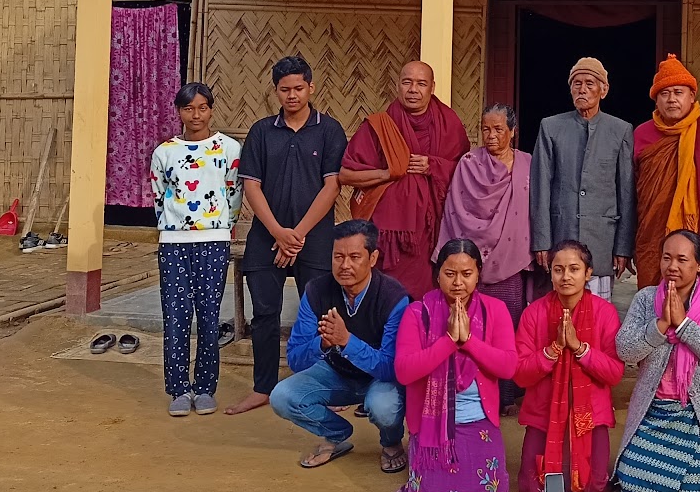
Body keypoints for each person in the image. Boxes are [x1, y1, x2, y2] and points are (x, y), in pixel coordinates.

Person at [227, 55, 348, 416]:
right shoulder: (262, 131)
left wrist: (297, 235)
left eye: (298, 88)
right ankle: (262, 387)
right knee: (264, 314)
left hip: (316, 237)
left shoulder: (330, 130)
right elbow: (252, 186)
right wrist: (279, 233)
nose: (292, 95)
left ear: (311, 87)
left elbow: (332, 187)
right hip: (268, 237)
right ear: (275, 91)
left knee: (321, 315)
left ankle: (323, 386)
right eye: (284, 90)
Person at [270, 220, 409, 472]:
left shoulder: (394, 297)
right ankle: (336, 434)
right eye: (338, 257)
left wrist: (346, 341)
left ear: (373, 257)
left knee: (383, 407)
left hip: (379, 378)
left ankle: (391, 442)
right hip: (336, 373)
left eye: (355, 257)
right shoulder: (316, 291)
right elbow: (295, 359)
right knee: (282, 396)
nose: (345, 265)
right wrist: (323, 342)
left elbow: (392, 368)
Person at [393, 238, 518, 492]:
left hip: (478, 420)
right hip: (432, 426)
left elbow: (509, 367)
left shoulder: (494, 311)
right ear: (437, 275)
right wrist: (449, 341)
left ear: (478, 275)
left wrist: (469, 341)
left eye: (466, 274)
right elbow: (404, 371)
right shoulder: (417, 313)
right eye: (450, 274)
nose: (458, 282)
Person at [614, 230, 700, 492]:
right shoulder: (646, 299)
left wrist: (683, 325)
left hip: (695, 415)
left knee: (694, 486)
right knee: (631, 479)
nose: (672, 267)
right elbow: (625, 349)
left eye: (682, 259)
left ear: (699, 265)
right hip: (654, 410)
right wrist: (659, 326)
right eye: (667, 258)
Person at [149, 82, 242, 417]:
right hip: (173, 243)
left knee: (208, 315)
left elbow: (235, 194)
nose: (196, 114)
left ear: (212, 110)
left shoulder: (229, 149)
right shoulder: (164, 153)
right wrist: (173, 228)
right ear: (179, 112)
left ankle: (204, 388)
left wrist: (221, 227)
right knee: (175, 316)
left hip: (214, 241)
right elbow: (158, 197)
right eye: (189, 108)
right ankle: (177, 389)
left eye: (202, 107)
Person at [339, 60, 470, 297]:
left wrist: (434, 165)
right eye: (407, 82)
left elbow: (466, 171)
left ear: (432, 88)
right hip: (388, 235)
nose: (413, 90)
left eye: (421, 84)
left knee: (425, 293)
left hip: (431, 230)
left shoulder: (449, 123)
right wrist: (387, 173)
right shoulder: (380, 125)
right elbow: (347, 174)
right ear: (397, 86)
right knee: (386, 293)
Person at [512, 240, 624, 492]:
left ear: (588, 273)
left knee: (592, 487)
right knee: (532, 488)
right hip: (544, 413)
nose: (566, 276)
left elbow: (614, 373)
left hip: (589, 418)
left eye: (574, 268)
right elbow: (520, 375)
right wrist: (552, 351)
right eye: (558, 269)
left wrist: (579, 349)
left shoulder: (604, 313)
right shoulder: (533, 314)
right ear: (550, 274)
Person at [440, 104, 532, 409]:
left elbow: (532, 212)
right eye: (485, 129)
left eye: (498, 130)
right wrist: (468, 260)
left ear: (512, 131)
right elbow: (458, 211)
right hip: (471, 268)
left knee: (509, 328)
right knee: (471, 327)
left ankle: (506, 397)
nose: (491, 136)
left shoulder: (527, 164)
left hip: (511, 262)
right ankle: (471, 394)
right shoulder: (468, 163)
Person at [530, 57, 635, 300]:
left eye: (589, 83)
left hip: (601, 240)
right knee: (558, 312)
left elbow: (626, 194)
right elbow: (540, 188)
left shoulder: (620, 130)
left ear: (603, 90)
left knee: (597, 316)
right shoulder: (550, 127)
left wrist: (622, 247)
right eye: (576, 83)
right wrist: (542, 241)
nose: (582, 89)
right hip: (561, 235)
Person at [633, 55, 700, 289]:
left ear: (692, 96)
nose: (671, 99)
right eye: (664, 93)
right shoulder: (641, 134)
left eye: (678, 92)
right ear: (655, 100)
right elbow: (633, 189)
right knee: (653, 297)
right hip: (653, 234)